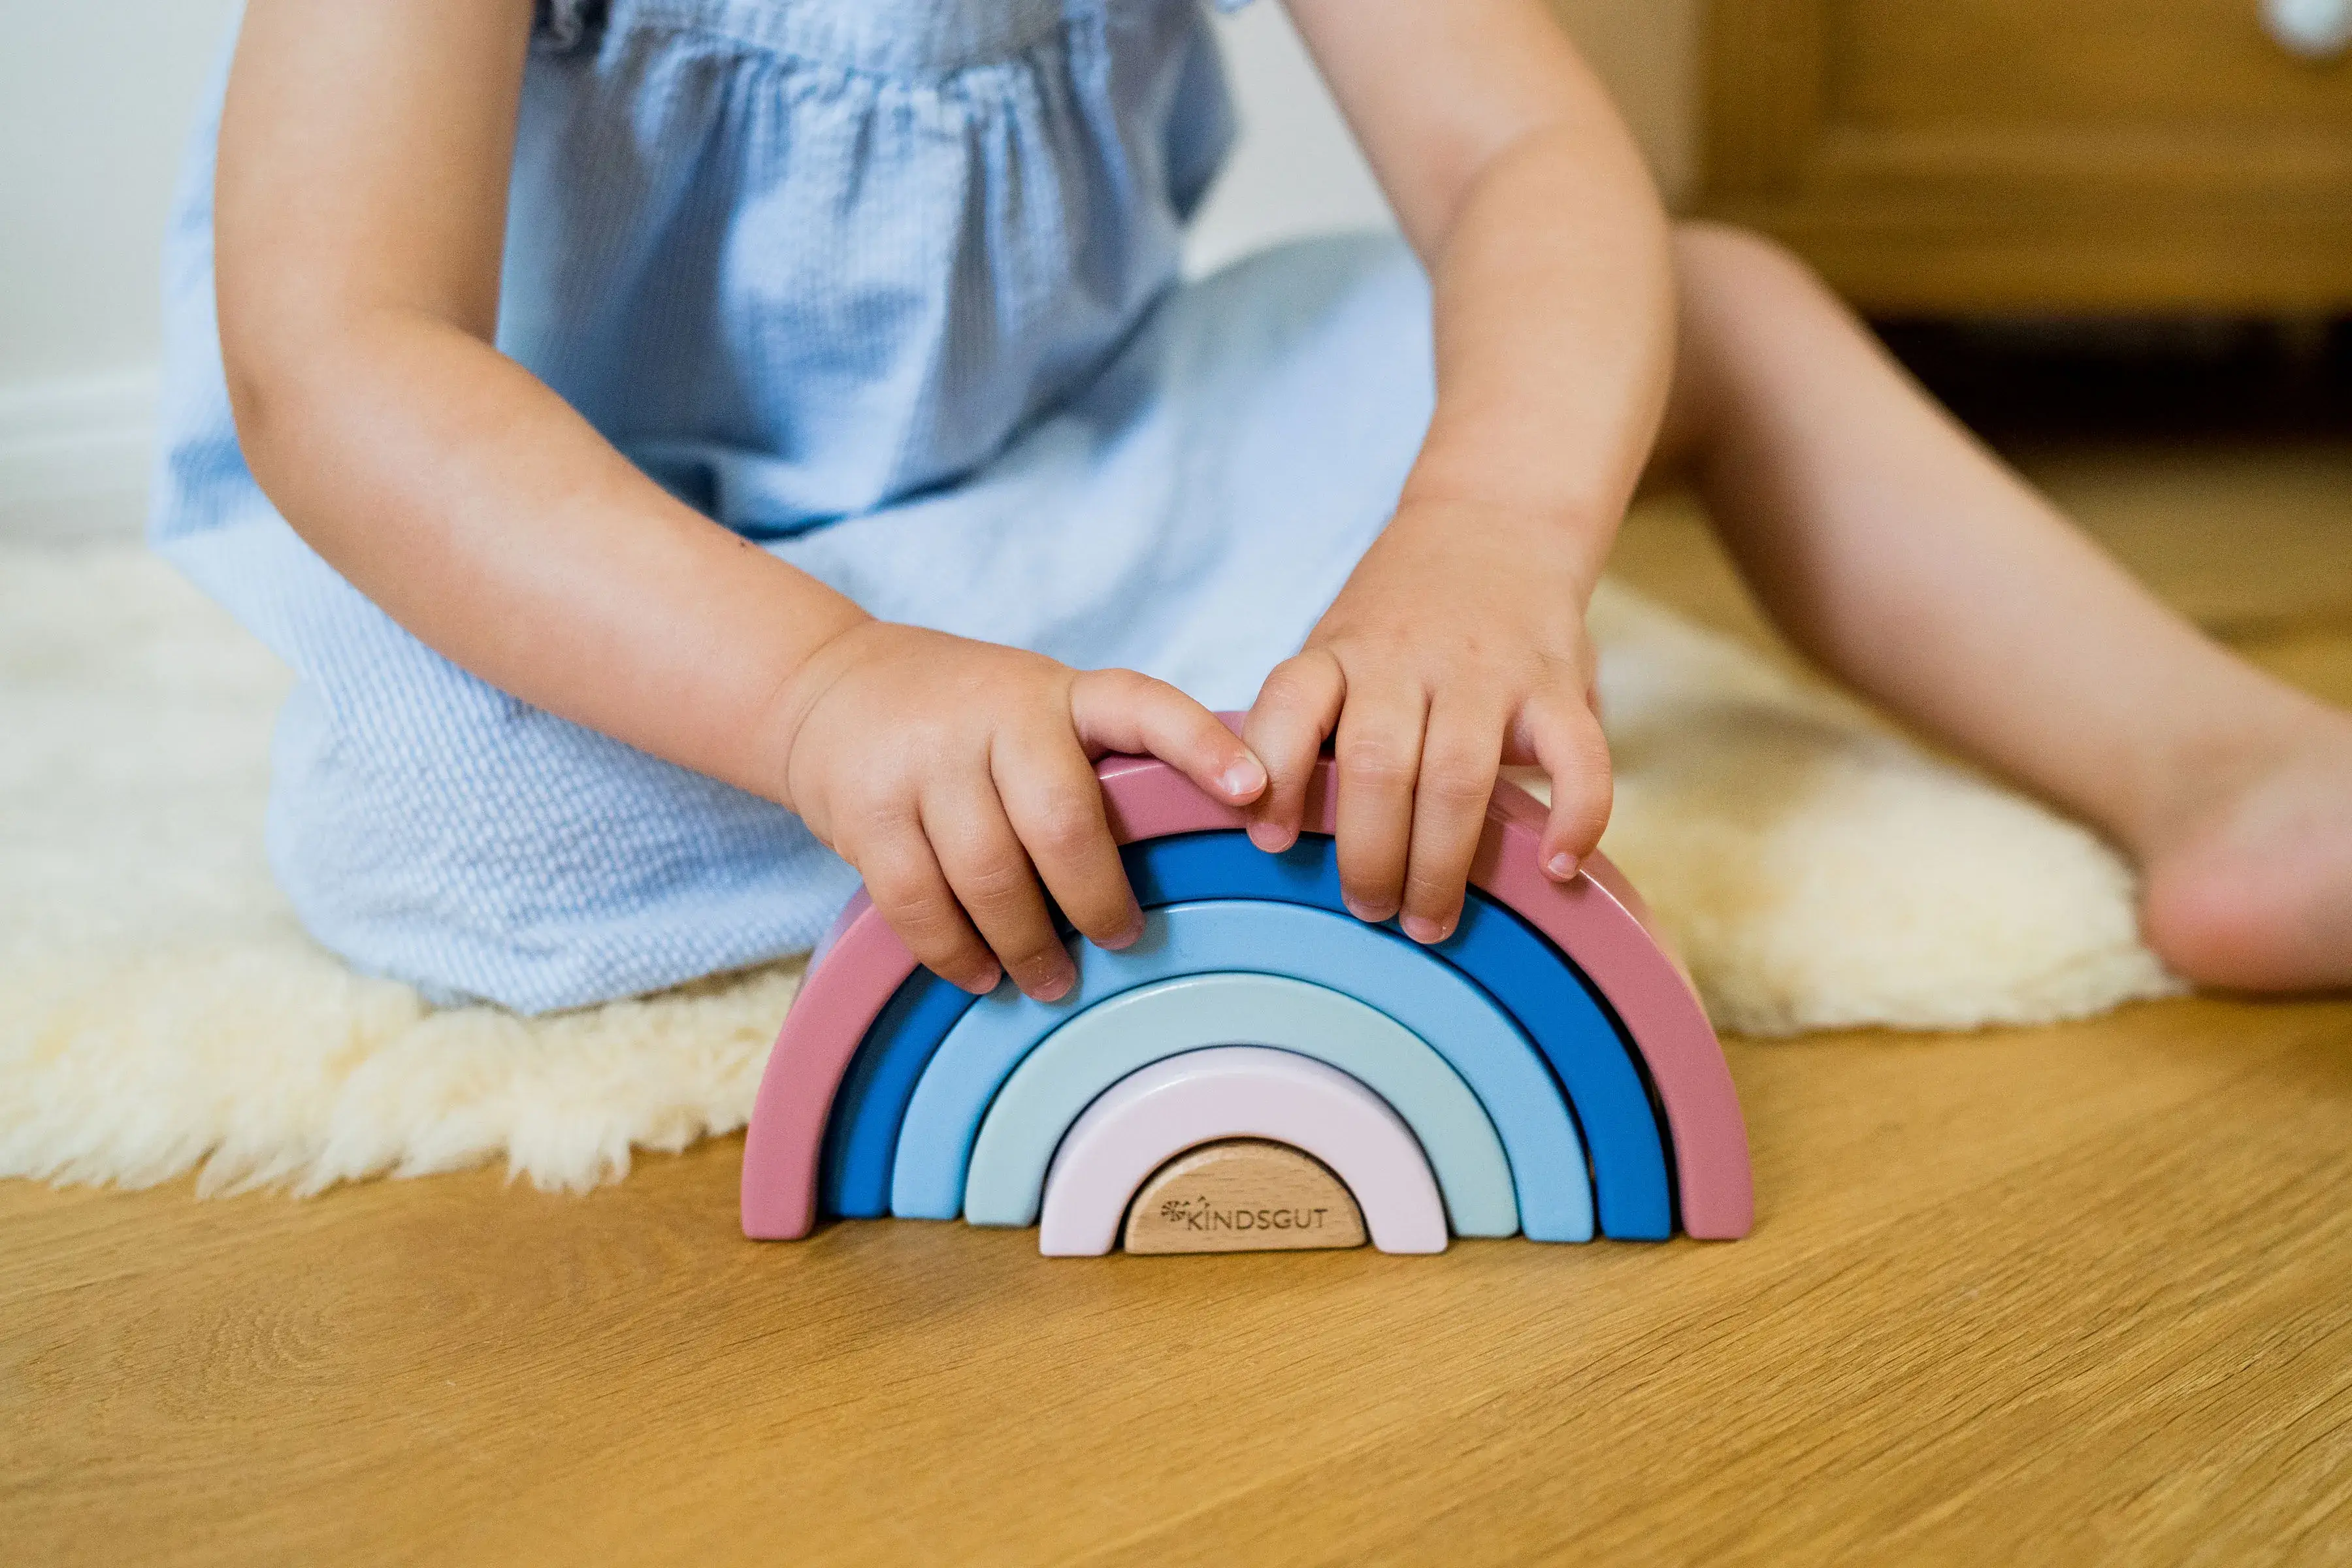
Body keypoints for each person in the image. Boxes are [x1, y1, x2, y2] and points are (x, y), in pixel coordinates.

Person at [154, 0, 2352, 1015]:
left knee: (1711, 307)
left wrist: (1485, 529)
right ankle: (1125, 768)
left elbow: (1520, 161)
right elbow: (344, 355)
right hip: (638, 573)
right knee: (441, 804)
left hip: (1090, 477)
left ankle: (2221, 770)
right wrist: (820, 691)